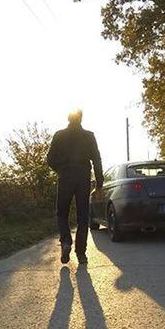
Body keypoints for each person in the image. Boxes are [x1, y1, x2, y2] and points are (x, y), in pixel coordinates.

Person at [46, 109, 103, 264]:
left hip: (65, 177)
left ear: (68, 118)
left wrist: (60, 170)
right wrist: (99, 183)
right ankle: (81, 254)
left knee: (61, 213)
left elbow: (50, 159)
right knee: (83, 216)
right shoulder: (89, 136)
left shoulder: (59, 135)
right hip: (83, 178)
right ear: (81, 119)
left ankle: (65, 241)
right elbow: (97, 160)